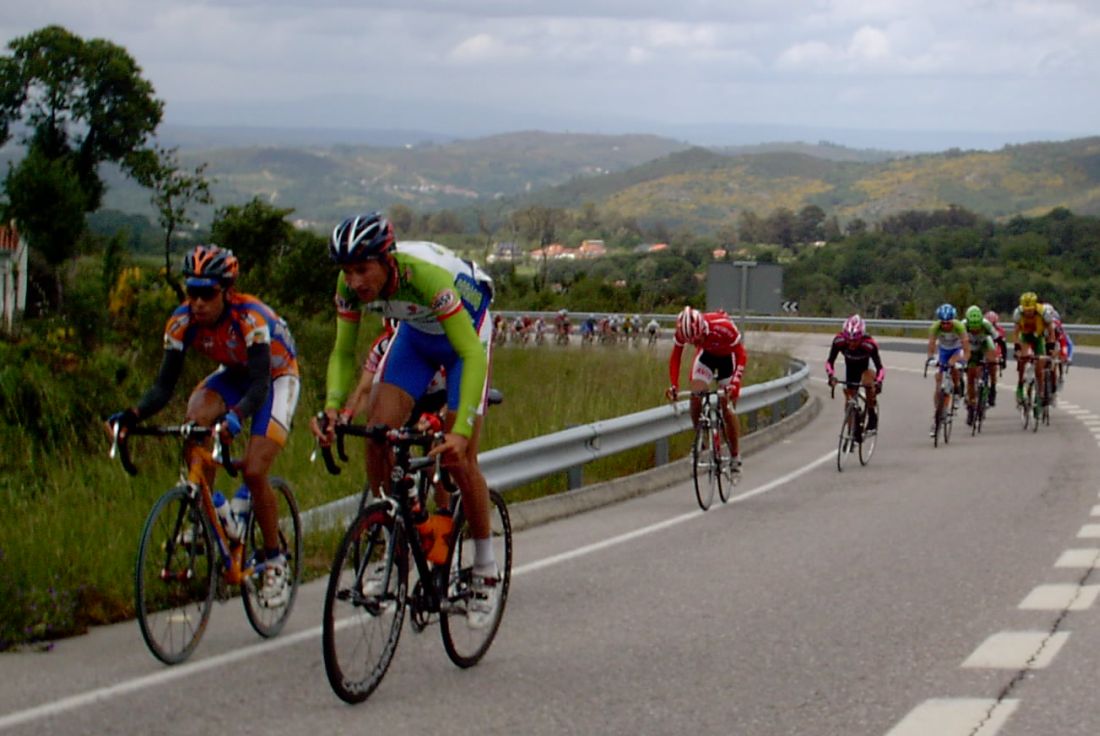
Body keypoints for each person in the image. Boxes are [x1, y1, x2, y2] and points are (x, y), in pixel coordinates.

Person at [309, 213, 499, 629]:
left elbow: (470, 354)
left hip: (466, 335)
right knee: (377, 433)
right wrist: (333, 406)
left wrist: (459, 431)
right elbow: (343, 352)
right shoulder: (348, 287)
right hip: (415, 336)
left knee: (459, 459)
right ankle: (393, 545)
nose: (355, 281)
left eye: (363, 269)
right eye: (347, 271)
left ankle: (485, 570)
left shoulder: (426, 277)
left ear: (387, 260)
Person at [108, 244, 300, 608]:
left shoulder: (251, 318)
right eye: (191, 292)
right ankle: (212, 513)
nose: (197, 302)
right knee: (193, 425)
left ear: (227, 292)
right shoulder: (181, 322)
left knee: (254, 470)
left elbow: (260, 385)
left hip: (275, 378)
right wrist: (131, 415)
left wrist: (236, 417)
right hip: (232, 374)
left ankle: (274, 559)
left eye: (207, 294)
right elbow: (163, 387)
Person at [664, 306, 748, 473]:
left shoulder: (723, 327)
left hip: (728, 358)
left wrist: (735, 383)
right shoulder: (682, 331)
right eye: (692, 342)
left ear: (703, 329)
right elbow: (675, 357)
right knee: (695, 396)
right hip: (706, 357)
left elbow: (742, 356)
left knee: (727, 408)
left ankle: (735, 454)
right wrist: (674, 385)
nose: (695, 343)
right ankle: (700, 440)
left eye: (697, 339)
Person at [824, 314, 884, 439]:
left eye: (855, 341)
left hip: (867, 366)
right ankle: (852, 429)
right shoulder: (839, 342)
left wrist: (878, 382)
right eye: (848, 340)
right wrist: (831, 376)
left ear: (861, 337)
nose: (851, 344)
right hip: (851, 367)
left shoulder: (869, 345)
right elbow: (830, 362)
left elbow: (880, 368)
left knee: (867, 383)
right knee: (849, 397)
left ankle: (872, 414)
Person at [925, 303, 970, 437]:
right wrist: (930, 358)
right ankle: (938, 414)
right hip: (944, 351)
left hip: (957, 350)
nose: (945, 325)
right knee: (938, 382)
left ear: (953, 320)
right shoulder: (935, 327)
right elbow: (931, 345)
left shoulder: (959, 327)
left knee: (953, 366)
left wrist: (964, 361)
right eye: (943, 322)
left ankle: (957, 391)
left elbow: (966, 348)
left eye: (948, 322)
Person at [1012, 291, 1050, 407]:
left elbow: (1051, 330)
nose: (1028, 312)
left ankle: (1041, 391)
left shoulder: (1043, 312)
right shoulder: (1018, 314)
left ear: (1035, 307)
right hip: (1025, 337)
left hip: (1039, 337)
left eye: (1031, 309)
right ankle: (1020, 385)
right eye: (1026, 310)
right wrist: (1017, 347)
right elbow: (1015, 333)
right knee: (1023, 359)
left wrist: (1051, 347)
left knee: (1040, 367)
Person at [962, 305, 1000, 418]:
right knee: (971, 376)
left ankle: (993, 388)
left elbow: (999, 340)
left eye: (977, 328)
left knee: (993, 362)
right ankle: (971, 404)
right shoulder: (962, 325)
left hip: (985, 344)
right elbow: (958, 343)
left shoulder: (986, 324)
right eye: (972, 329)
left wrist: (1000, 361)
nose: (975, 331)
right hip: (971, 348)